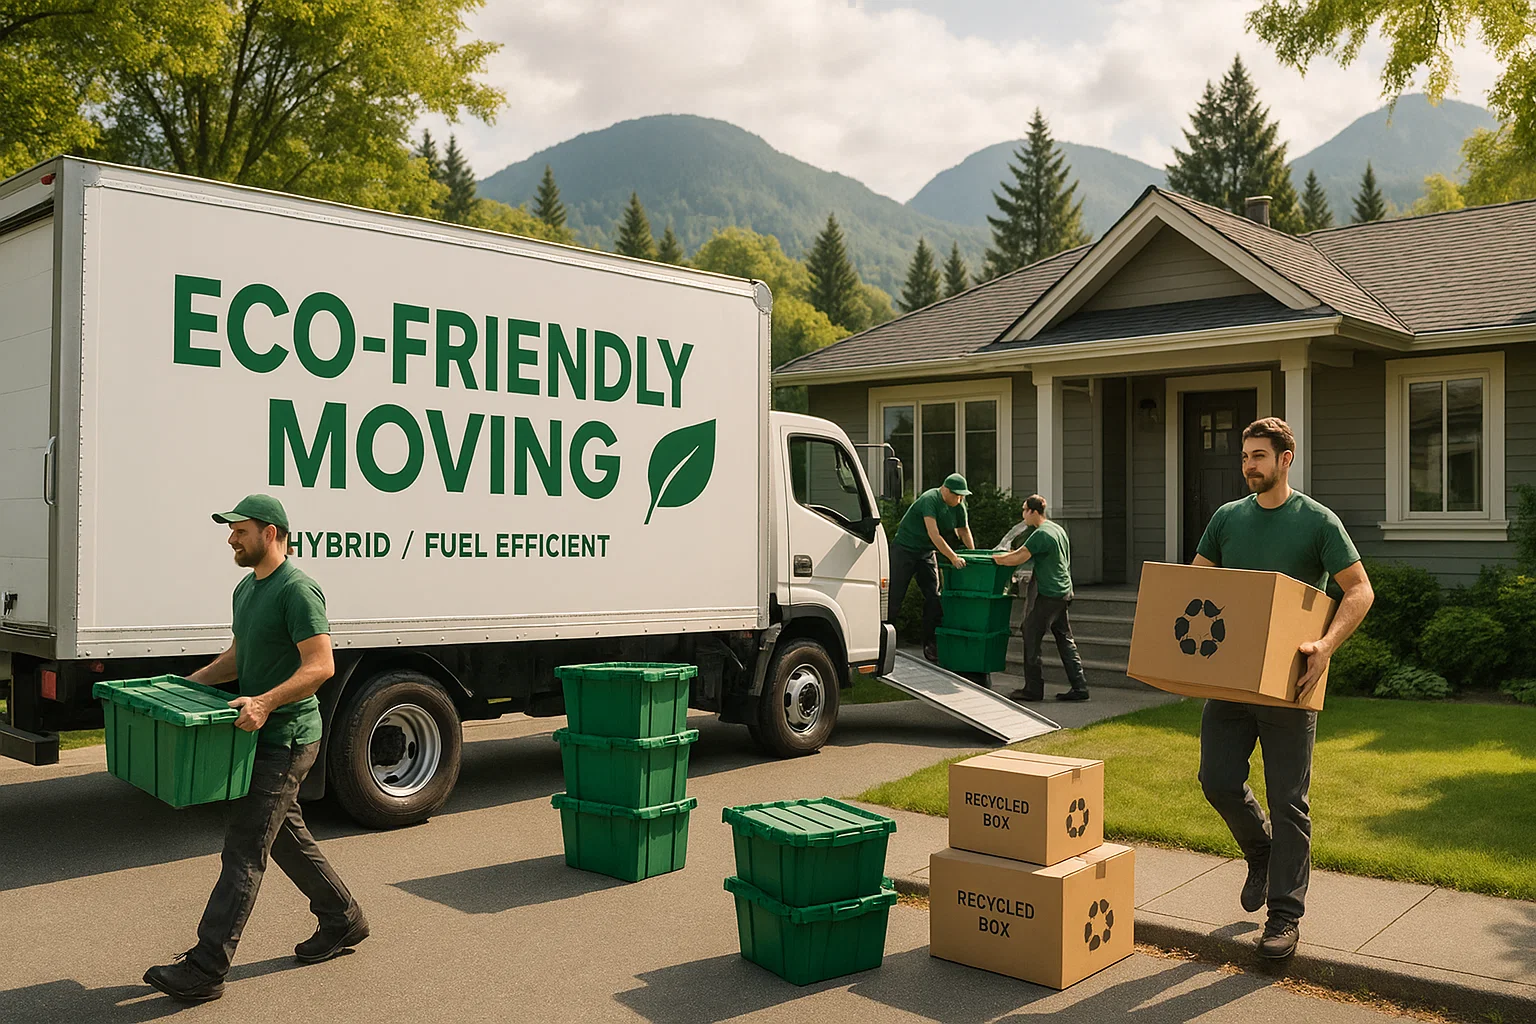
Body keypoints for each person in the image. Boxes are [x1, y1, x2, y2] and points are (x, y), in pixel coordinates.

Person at [144, 495, 368, 1003]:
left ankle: (206, 967)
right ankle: (343, 917)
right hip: (260, 734)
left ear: (270, 533)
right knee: (283, 834)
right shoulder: (247, 589)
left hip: (288, 736)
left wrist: (266, 702)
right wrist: (190, 683)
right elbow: (242, 654)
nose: (230, 539)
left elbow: (320, 666)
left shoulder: (298, 590)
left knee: (245, 848)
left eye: (239, 531)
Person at [1192, 418, 1373, 961]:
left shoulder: (1317, 522)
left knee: (1289, 799)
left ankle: (1284, 917)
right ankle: (1260, 851)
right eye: (1245, 456)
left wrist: (1327, 645)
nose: (1249, 465)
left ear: (1285, 459)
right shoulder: (1227, 519)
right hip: (1230, 676)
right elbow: (1199, 581)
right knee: (1217, 780)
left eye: (1259, 456)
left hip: (1290, 681)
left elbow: (1359, 591)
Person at [991, 494, 1089, 702]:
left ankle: (1033, 689)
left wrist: (996, 560)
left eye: (1024, 510)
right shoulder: (1057, 529)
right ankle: (1080, 687)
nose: (1023, 515)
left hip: (1051, 593)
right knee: (1064, 638)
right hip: (1064, 592)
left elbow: (1018, 557)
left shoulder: (1041, 534)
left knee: (1030, 632)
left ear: (1033, 512)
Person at [888, 473, 975, 662]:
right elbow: (934, 534)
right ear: (945, 490)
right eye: (957, 495)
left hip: (926, 553)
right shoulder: (930, 500)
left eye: (962, 496)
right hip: (905, 549)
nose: (960, 499)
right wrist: (953, 557)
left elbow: (963, 530)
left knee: (934, 597)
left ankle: (930, 643)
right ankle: (884, 642)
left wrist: (973, 555)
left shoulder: (960, 505)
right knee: (894, 596)